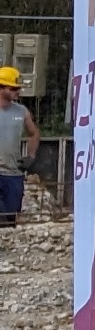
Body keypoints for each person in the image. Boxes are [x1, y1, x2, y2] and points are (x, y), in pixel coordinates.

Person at [0, 61, 31, 224]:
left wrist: (30, 156)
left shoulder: (21, 112)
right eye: (13, 88)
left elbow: (34, 133)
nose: (18, 92)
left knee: (10, 219)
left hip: (13, 175)